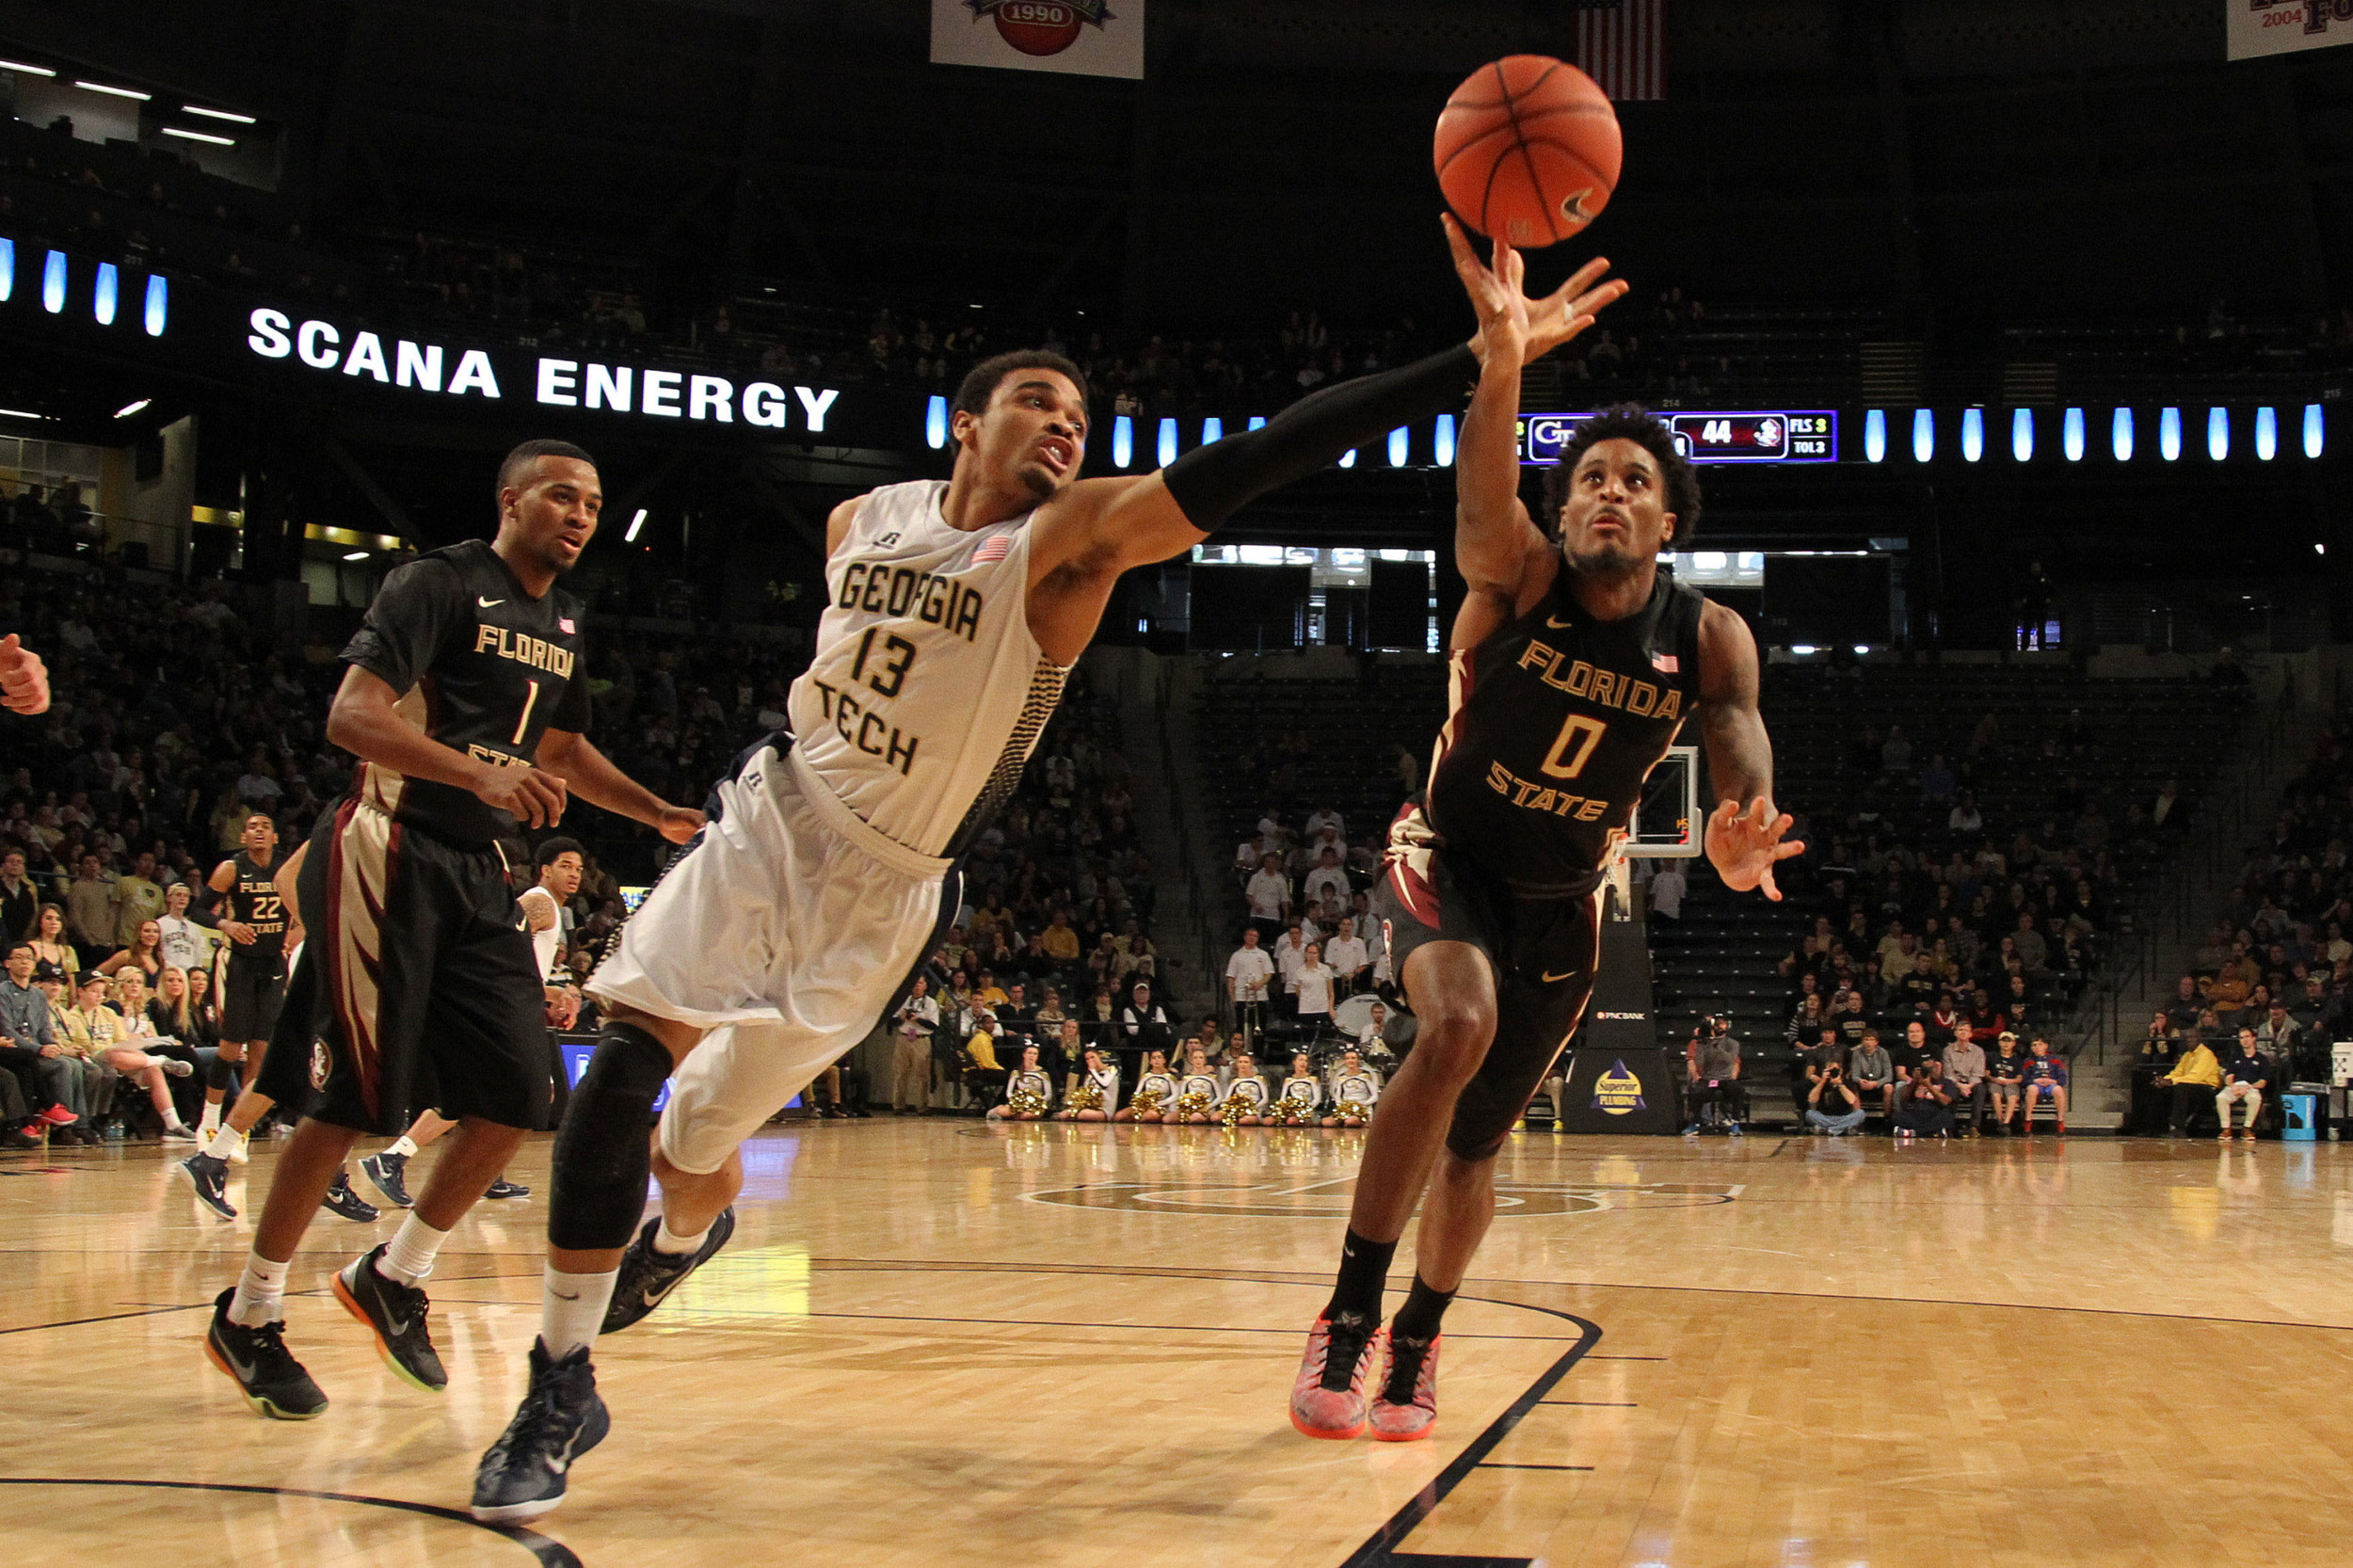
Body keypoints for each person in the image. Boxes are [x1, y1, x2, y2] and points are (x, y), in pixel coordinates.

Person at [474, 246, 1615, 1522]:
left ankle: (687, 1233)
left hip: (888, 891)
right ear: (965, 424)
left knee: (695, 1153)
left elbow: (1253, 460)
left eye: (1082, 420)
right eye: (1040, 406)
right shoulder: (863, 519)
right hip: (772, 818)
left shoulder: (1065, 548)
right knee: (629, 1052)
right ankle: (559, 1375)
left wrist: (1476, 363)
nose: (1068, 430)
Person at [1289, 231, 1783, 1449]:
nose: (1607, 490)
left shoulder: (1707, 633)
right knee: (1453, 1020)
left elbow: (1737, 730)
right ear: (1565, 509)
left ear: (1669, 519)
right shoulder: (1515, 574)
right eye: (1590, 479)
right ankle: (1349, 1308)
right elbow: (1477, 496)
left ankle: (1419, 1335)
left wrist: (1739, 820)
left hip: (1567, 902)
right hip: (1449, 847)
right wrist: (1501, 362)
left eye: (1632, 480)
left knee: (1474, 1149)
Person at [200, 439, 700, 1424]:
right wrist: (477, 771)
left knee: (519, 1093)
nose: (581, 513)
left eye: (595, 502)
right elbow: (351, 715)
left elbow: (559, 747)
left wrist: (655, 815)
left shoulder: (562, 618)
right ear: (511, 500)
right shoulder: (438, 583)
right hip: (389, 845)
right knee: (349, 1103)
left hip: (477, 870)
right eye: (562, 495)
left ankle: (394, 1273)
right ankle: (250, 1312)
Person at [205, 811, 289, 1148]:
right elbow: (201, 909)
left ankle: (239, 1128)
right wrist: (227, 925)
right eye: (252, 827)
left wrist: (296, 932)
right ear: (242, 837)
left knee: (260, 1049)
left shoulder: (286, 868)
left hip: (273, 963)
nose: (258, 831)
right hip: (240, 963)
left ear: (275, 837)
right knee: (230, 1047)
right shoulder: (231, 868)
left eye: (265, 827)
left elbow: (302, 907)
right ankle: (208, 1120)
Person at [889, 975, 940, 1114]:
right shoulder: (904, 1000)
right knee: (900, 1073)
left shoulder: (930, 1003)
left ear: (925, 986)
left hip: (921, 1038)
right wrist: (902, 1018)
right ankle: (898, 1106)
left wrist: (918, 1019)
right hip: (904, 1038)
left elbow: (934, 1025)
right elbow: (892, 1022)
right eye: (915, 983)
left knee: (922, 1074)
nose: (917, 986)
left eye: (920, 983)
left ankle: (922, 1107)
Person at [2159, 1034, 2222, 1136]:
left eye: (2192, 1038)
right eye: (2187, 1039)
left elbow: (2196, 1077)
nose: (2189, 1041)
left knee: (2182, 1087)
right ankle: (2155, 1127)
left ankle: (2179, 1127)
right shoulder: (2186, 1056)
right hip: (2191, 1085)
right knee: (2161, 1087)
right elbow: (2177, 1072)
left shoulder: (2206, 1054)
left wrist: (2172, 1081)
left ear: (2199, 1040)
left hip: (2209, 1089)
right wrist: (2164, 1080)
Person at [2216, 1027, 2267, 1143]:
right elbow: (2229, 1077)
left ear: (2253, 1039)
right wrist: (2233, 1086)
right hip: (2235, 1086)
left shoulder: (2262, 1059)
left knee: (2255, 1099)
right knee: (2221, 1097)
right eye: (2242, 1038)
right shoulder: (2235, 1057)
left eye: (2247, 1037)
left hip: (2251, 1087)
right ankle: (2226, 1129)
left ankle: (2247, 1129)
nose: (2245, 1040)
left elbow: (2263, 1082)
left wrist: (2248, 1087)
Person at [1225, 927, 1275, 1045]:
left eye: (1255, 936)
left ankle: (1258, 1055)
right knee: (1241, 1027)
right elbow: (1231, 977)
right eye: (1250, 935)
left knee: (1259, 1027)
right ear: (1245, 937)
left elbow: (1269, 974)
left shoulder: (1263, 955)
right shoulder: (1236, 955)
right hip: (1242, 996)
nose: (1252, 937)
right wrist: (1232, 997)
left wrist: (1260, 984)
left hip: (1260, 996)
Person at [1939, 1020, 1988, 1137]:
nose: (1963, 1033)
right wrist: (1960, 1086)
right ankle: (1949, 1126)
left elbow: (1978, 1073)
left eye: (1966, 1030)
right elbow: (1948, 1073)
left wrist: (1969, 1086)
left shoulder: (1978, 1051)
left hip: (1972, 1083)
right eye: (1960, 1030)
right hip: (1955, 1082)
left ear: (1971, 1034)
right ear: (1955, 1033)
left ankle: (1974, 1126)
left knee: (1981, 1089)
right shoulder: (1948, 1050)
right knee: (1950, 1088)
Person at [986, 1042, 1053, 1120]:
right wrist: (1019, 1102)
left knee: (1028, 1115)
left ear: (1037, 1057)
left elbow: (1048, 1094)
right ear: (1024, 1055)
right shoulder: (1016, 1072)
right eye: (1029, 1053)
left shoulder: (1043, 1073)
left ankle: (1009, 1116)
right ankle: (999, 1111)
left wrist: (1035, 1102)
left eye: (1035, 1054)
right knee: (1005, 1110)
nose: (1032, 1056)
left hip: (1035, 1105)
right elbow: (1009, 1093)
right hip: (1020, 1104)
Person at [1803, 1054, 1865, 1135]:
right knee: (1809, 1114)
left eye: (1836, 1070)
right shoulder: (1820, 1083)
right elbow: (1812, 1100)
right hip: (1824, 1117)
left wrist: (1840, 1085)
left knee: (1860, 1113)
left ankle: (1829, 1129)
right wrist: (1822, 1081)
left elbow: (1852, 1101)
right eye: (1830, 1069)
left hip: (1844, 1117)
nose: (1833, 1072)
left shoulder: (1848, 1083)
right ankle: (1840, 1129)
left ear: (1841, 1071)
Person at [1896, 1059, 1956, 1140]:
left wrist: (1929, 1085)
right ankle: (1932, 1132)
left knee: (1946, 1117)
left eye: (1937, 1068)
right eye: (1932, 1068)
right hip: (1917, 1112)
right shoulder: (1917, 1082)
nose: (1934, 1071)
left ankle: (1914, 1132)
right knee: (1899, 1115)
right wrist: (1914, 1082)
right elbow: (1904, 1100)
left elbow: (1945, 1101)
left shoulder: (1947, 1083)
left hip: (1936, 1111)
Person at [2020, 1036, 2069, 1135]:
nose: (2037, 1047)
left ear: (2046, 1046)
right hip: (2035, 1085)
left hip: (2051, 1085)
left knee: (2059, 1090)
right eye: (2034, 1045)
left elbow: (2063, 1078)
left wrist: (2053, 1081)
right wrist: (2034, 1080)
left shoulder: (2055, 1061)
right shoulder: (2028, 1061)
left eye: (2040, 1044)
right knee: (2032, 1089)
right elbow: (2023, 1079)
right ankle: (2028, 1121)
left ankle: (2060, 1121)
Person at [1057, 1044, 1117, 1121]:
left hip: (1104, 1110)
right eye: (1087, 1059)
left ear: (1099, 1057)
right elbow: (1085, 1091)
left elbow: (1104, 1084)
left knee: (1082, 1115)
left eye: (1093, 1057)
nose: (1090, 1061)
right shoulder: (1089, 1075)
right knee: (1063, 1114)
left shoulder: (1111, 1070)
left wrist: (1093, 1071)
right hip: (1089, 1107)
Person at [1114, 1048, 1176, 1123]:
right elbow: (1137, 1093)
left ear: (1164, 1060)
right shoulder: (1146, 1076)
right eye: (1153, 1058)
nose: (1156, 1060)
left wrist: (1160, 1103)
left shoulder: (1170, 1077)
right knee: (1119, 1116)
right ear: (1150, 1061)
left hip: (1163, 1106)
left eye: (1159, 1057)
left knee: (1149, 1116)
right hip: (1145, 1105)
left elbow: (1175, 1095)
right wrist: (1139, 1103)